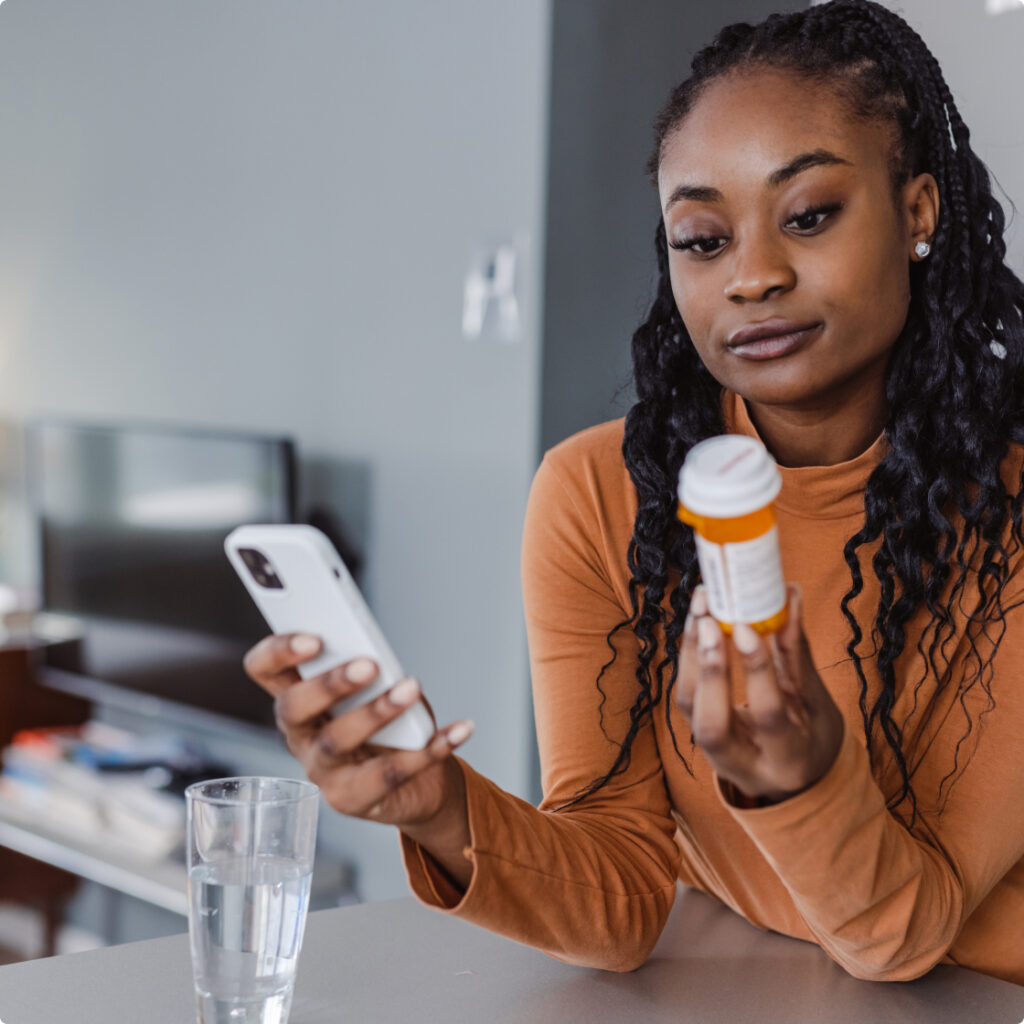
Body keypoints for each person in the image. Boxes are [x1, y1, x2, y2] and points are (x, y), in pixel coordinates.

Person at [243, 0, 1024, 984]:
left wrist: (801, 780)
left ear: (918, 210)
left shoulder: (1006, 513)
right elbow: (619, 895)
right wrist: (436, 804)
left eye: (809, 215)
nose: (753, 276)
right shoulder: (602, 494)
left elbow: (909, 930)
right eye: (702, 238)